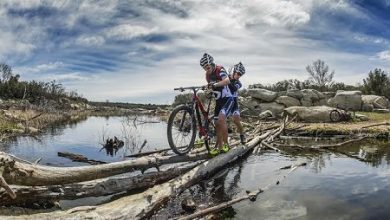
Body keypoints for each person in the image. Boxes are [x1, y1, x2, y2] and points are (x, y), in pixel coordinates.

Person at [200, 53, 233, 156]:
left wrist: (215, 84)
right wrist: (208, 89)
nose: (207, 69)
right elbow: (211, 87)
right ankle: (218, 148)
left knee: (221, 120)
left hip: (227, 98)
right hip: (218, 101)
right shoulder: (207, 75)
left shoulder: (220, 69)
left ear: (212, 64)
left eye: (208, 67)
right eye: (204, 68)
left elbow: (227, 81)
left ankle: (227, 145)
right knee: (217, 124)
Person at [228, 62, 246, 144]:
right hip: (225, 101)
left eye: (240, 75)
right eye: (238, 74)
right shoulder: (226, 78)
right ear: (234, 71)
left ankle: (242, 134)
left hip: (234, 102)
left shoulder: (239, 83)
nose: (239, 76)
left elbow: (233, 89)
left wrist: (228, 81)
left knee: (236, 120)